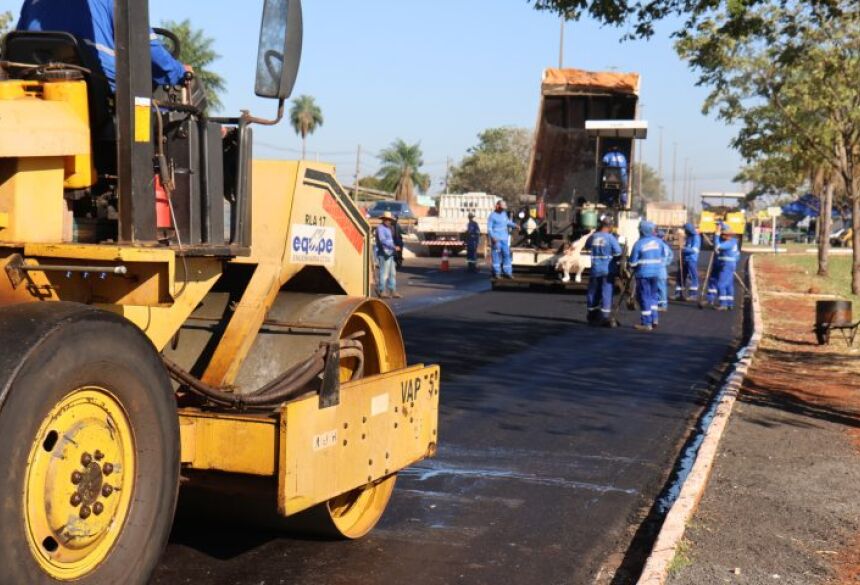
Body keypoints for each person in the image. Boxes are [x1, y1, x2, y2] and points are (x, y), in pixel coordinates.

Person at [17, 0, 188, 91]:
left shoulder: (31, 3)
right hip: (98, 91)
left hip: (35, 90)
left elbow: (19, 46)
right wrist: (182, 73)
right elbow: (150, 51)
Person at [629, 221, 668, 331]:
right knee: (653, 296)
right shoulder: (659, 242)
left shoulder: (639, 244)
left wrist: (634, 265)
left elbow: (632, 262)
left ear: (642, 230)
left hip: (643, 274)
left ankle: (646, 323)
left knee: (645, 297)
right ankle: (654, 319)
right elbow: (663, 256)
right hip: (656, 273)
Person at [584, 218, 622, 326]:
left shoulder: (593, 236)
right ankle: (605, 317)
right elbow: (618, 252)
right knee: (606, 292)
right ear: (609, 226)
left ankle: (591, 314)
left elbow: (587, 246)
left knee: (593, 292)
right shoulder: (610, 238)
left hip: (595, 269)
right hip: (607, 270)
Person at [487, 200, 518, 279]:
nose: (502, 210)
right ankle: (497, 272)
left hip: (504, 239)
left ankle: (508, 272)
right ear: (497, 206)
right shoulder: (492, 216)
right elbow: (489, 229)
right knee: (496, 256)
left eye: (503, 208)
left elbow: (507, 222)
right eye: (501, 208)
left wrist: (515, 225)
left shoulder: (504, 214)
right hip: (496, 239)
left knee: (506, 255)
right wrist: (493, 237)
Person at [375, 212, 401, 299]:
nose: (388, 221)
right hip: (383, 252)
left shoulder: (388, 228)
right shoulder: (380, 228)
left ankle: (392, 290)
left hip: (390, 252)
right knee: (384, 273)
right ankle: (382, 290)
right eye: (387, 219)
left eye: (389, 220)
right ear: (383, 219)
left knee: (392, 273)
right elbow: (383, 241)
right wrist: (393, 247)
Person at [714, 228, 740, 310]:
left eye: (723, 235)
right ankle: (729, 303)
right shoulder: (731, 242)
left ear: (727, 236)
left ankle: (723, 304)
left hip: (727, 266)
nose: (722, 236)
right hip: (728, 265)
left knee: (720, 285)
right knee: (729, 285)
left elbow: (718, 246)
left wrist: (716, 236)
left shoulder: (730, 243)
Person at [676, 223, 701, 301]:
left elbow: (694, 250)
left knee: (693, 277)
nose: (685, 231)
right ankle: (678, 294)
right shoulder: (689, 237)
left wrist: (683, 249)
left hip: (691, 260)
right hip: (685, 259)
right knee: (681, 276)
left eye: (685, 230)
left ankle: (693, 295)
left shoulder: (696, 237)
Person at [656, 230, 674, 311]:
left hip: (658, 269)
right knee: (662, 287)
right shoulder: (665, 246)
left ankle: (663, 305)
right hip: (662, 269)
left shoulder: (657, 245)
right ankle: (661, 304)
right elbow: (671, 255)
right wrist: (666, 263)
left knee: (659, 287)